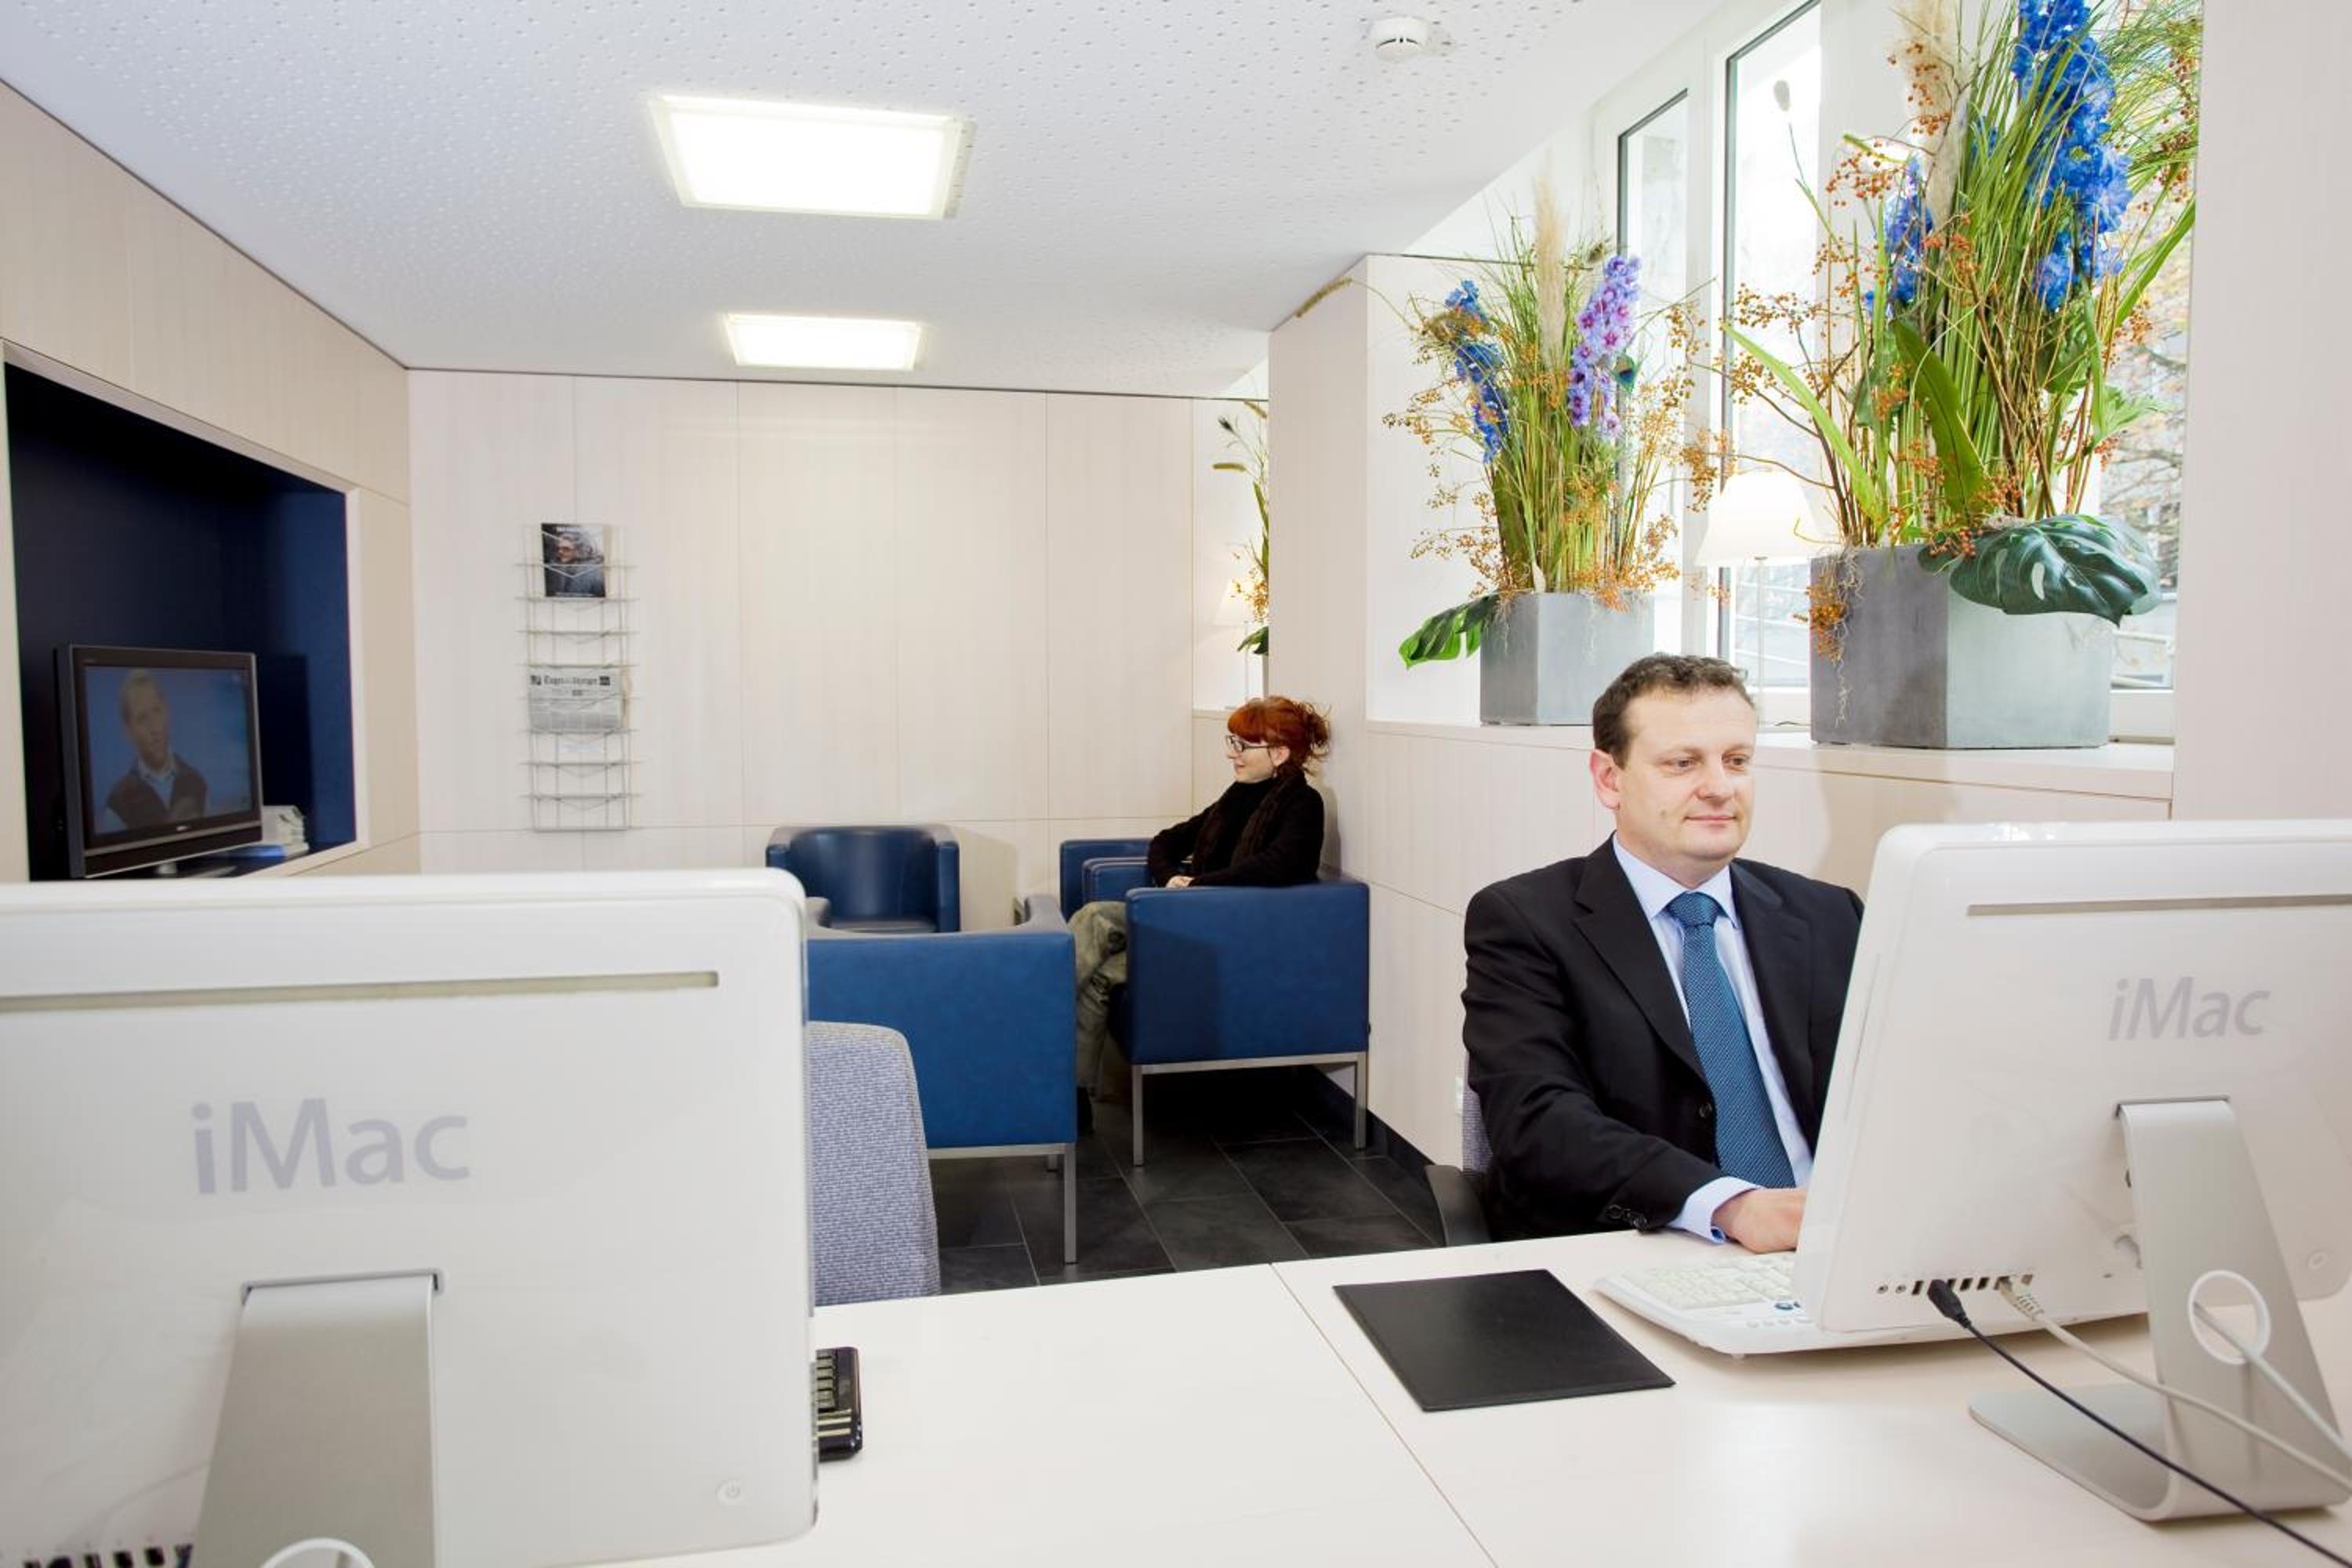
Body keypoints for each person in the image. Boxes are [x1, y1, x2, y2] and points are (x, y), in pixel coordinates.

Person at [1461, 654, 1863, 1252]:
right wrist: (1730, 1205)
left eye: (1737, 761)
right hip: (1639, 1242)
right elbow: (1537, 1121)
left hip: (1831, 1244)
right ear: (1609, 778)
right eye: (1682, 763)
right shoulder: (1525, 921)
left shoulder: (1829, 914)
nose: (1720, 788)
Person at [1069, 696, 1332, 1123]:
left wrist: (1200, 885)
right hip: (1189, 916)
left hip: (1228, 935)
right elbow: (1166, 841)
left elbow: (1280, 864)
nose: (1233, 754)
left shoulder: (1303, 804)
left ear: (1280, 753)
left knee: (1096, 919)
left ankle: (1029, 1021)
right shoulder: (1236, 797)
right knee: (1099, 958)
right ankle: (1072, 1095)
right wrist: (1172, 877)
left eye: (1244, 745)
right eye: (1233, 742)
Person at [102, 670, 209, 832]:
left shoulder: (196, 783)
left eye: (157, 711)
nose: (154, 728)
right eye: (142, 718)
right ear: (129, 731)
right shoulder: (118, 804)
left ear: (167, 712)